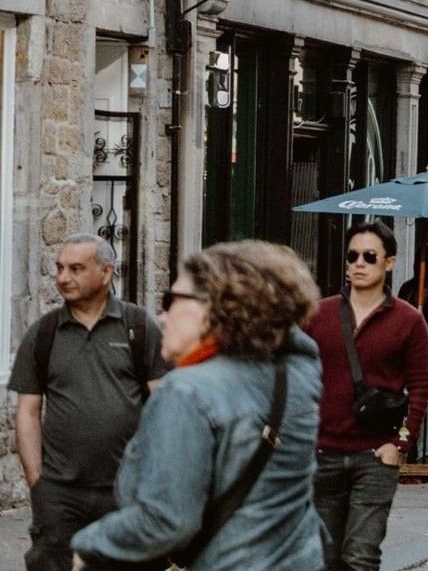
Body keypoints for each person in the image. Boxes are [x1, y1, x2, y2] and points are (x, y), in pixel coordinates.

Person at [69, 241, 324, 571]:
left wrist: (90, 546)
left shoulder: (187, 392)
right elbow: (295, 341)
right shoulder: (297, 374)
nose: (161, 317)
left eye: (171, 301)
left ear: (214, 308)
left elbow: (165, 520)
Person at [9, 234, 167, 571]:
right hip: (60, 495)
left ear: (106, 272)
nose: (63, 278)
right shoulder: (43, 334)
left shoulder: (138, 328)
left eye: (76, 268)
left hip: (127, 490)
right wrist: (38, 482)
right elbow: (28, 413)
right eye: (59, 268)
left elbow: (167, 405)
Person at [304, 218, 428, 571]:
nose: (359, 263)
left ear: (389, 262)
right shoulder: (318, 315)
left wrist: (401, 443)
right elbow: (297, 376)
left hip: (375, 457)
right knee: (323, 559)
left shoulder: (408, 321)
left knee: (360, 556)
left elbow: (420, 387)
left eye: (369, 256)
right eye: (353, 256)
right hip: (323, 454)